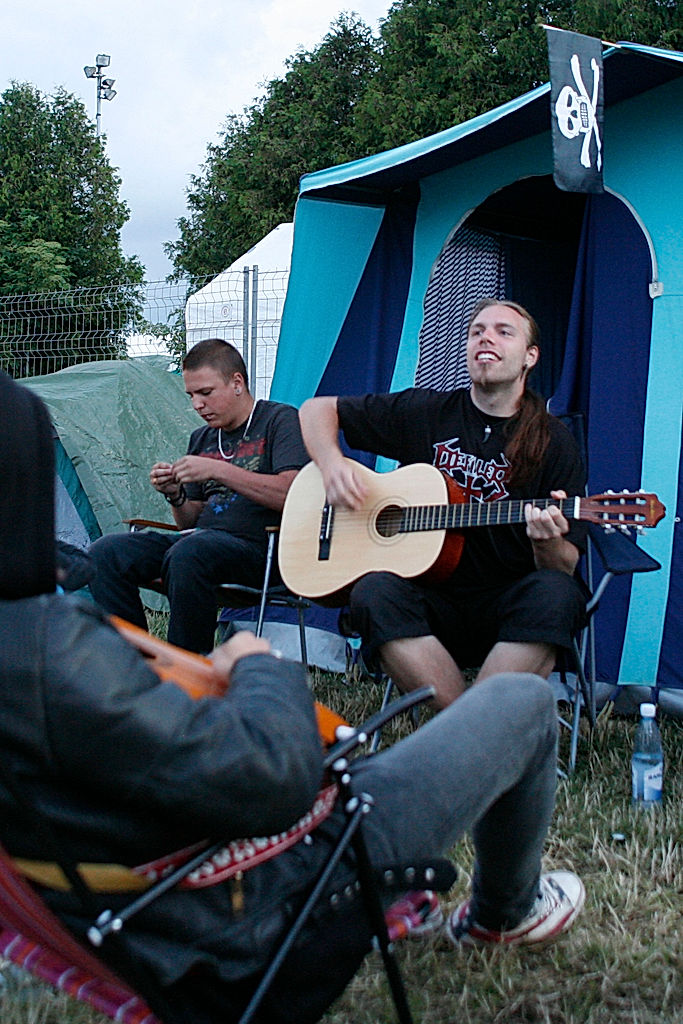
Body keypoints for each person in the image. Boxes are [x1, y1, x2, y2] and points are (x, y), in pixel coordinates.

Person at [0, 370, 585, 1022]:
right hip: (270, 900)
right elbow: (274, 779)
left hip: (155, 910)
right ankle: (502, 913)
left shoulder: (38, 657)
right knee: (521, 705)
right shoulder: (49, 656)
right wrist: (261, 665)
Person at [299, 298, 589, 709]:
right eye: (477, 331)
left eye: (503, 332)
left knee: (558, 593)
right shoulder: (427, 412)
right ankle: (463, 726)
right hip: (428, 601)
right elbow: (316, 410)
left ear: (530, 357)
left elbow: (562, 566)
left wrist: (546, 542)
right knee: (372, 590)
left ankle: (470, 727)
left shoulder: (554, 443)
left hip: (507, 604)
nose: (486, 337)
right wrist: (330, 464)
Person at [88, 339, 309, 653]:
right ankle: (136, 664)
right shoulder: (202, 437)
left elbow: (293, 495)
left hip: (264, 552)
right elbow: (189, 522)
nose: (197, 405)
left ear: (237, 383)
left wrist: (218, 470)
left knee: (190, 552)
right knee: (105, 553)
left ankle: (188, 674)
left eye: (205, 393)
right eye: (191, 395)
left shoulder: (280, 421)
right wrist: (175, 494)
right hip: (201, 543)